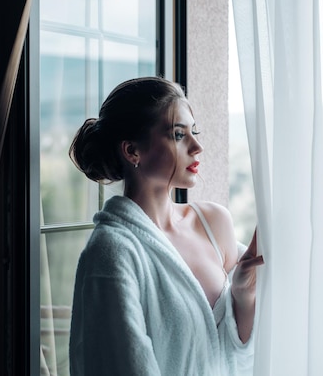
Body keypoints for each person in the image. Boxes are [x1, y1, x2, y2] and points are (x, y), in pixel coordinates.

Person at [68, 76, 263, 375]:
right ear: (132, 151)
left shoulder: (214, 223)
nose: (197, 146)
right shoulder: (112, 253)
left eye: (194, 132)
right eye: (178, 134)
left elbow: (231, 353)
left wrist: (243, 295)